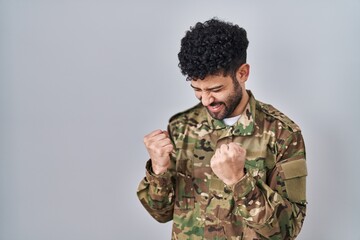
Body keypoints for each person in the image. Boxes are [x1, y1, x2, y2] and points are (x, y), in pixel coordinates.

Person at [137, 18, 307, 240]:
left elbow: (288, 230)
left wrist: (239, 181)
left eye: (216, 89)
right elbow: (161, 213)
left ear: (243, 73)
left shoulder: (283, 134)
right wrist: (158, 170)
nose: (206, 100)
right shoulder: (182, 128)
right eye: (197, 89)